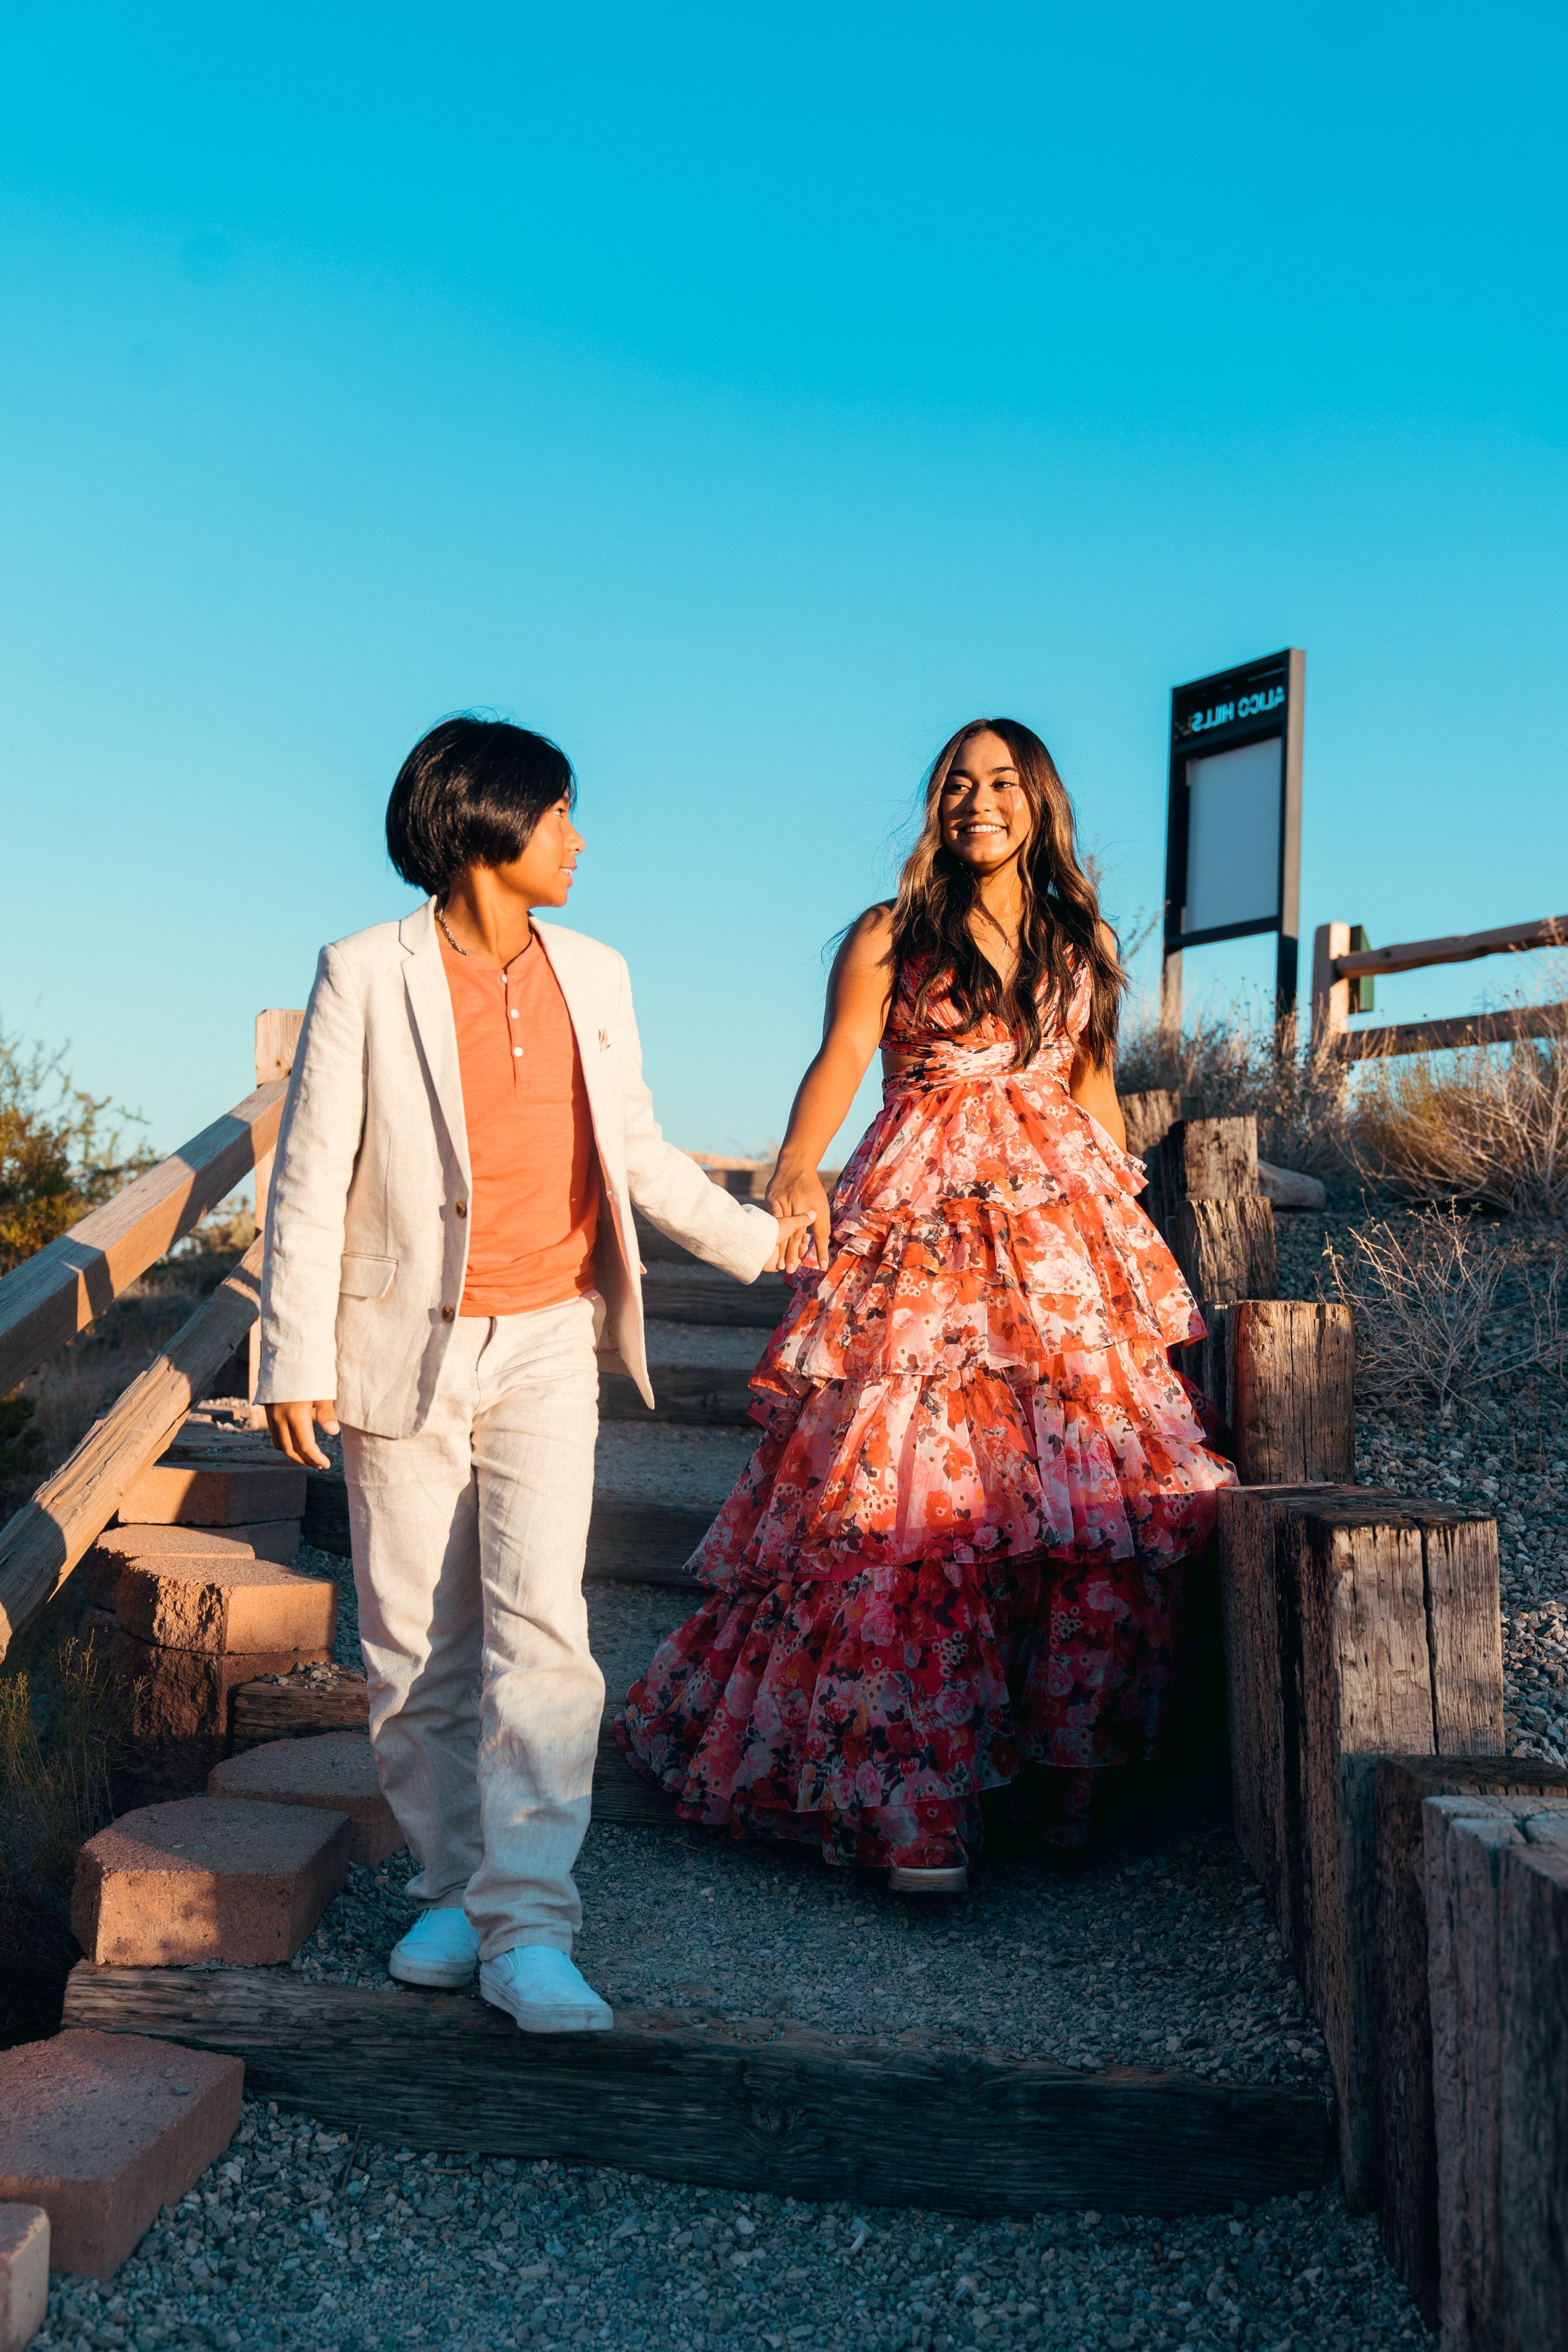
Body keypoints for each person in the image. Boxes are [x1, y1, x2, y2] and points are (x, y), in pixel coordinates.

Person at [617, 717, 1237, 1888]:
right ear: (937, 804)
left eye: (1003, 781)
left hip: (1059, 1241)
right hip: (925, 1234)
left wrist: (1135, 1263)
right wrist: (798, 1165)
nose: (979, 798)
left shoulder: (1082, 936)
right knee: (911, 1495)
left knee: (1078, 1501)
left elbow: (1094, 1092)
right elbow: (843, 1058)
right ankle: (916, 1809)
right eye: (960, 781)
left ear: (1038, 802)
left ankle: (1063, 1786)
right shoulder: (890, 932)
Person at [257, 716, 800, 2026]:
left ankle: (530, 1925)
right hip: (401, 1342)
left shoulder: (598, 972)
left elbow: (647, 1154)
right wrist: (292, 1355)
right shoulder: (364, 972)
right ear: (489, 825)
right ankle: (458, 1881)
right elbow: (311, 1175)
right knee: (408, 1647)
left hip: (553, 1335)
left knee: (544, 1634)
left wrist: (775, 1250)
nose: (579, 837)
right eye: (560, 812)